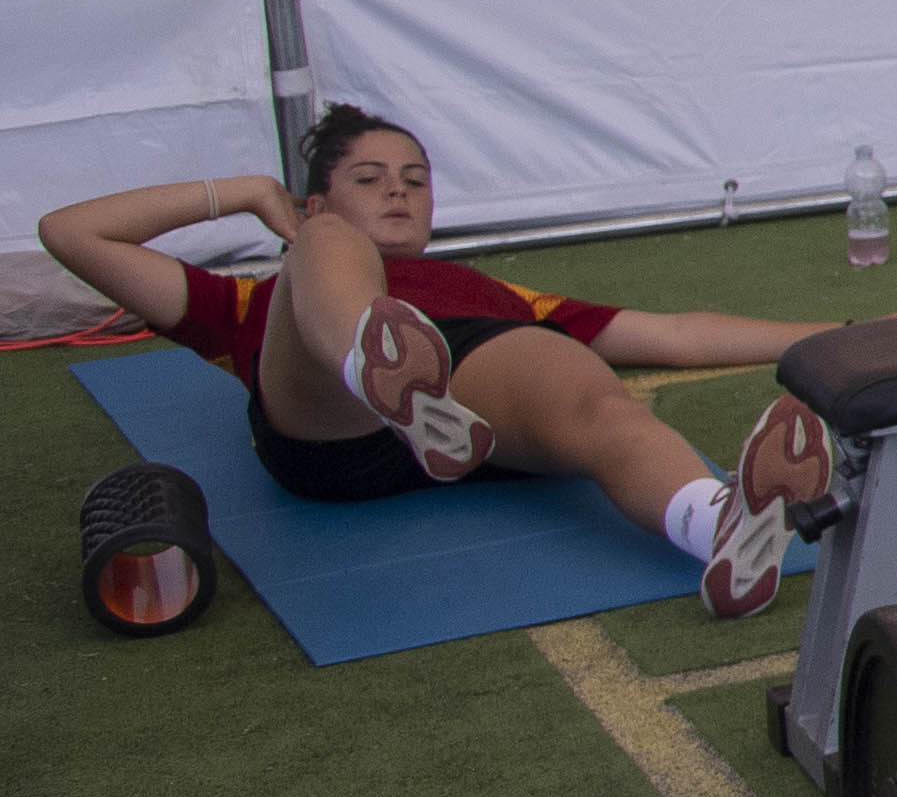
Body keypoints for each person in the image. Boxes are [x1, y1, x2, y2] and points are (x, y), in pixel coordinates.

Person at [38, 107, 834, 622]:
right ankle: (371, 359)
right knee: (327, 252)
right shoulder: (248, 297)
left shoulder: (487, 287)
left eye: (415, 181)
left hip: (471, 390)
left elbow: (670, 334)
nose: (398, 193)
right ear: (313, 196)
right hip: (332, 417)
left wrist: (844, 331)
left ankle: (715, 521)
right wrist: (245, 191)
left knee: (603, 407)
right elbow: (72, 234)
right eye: (370, 179)